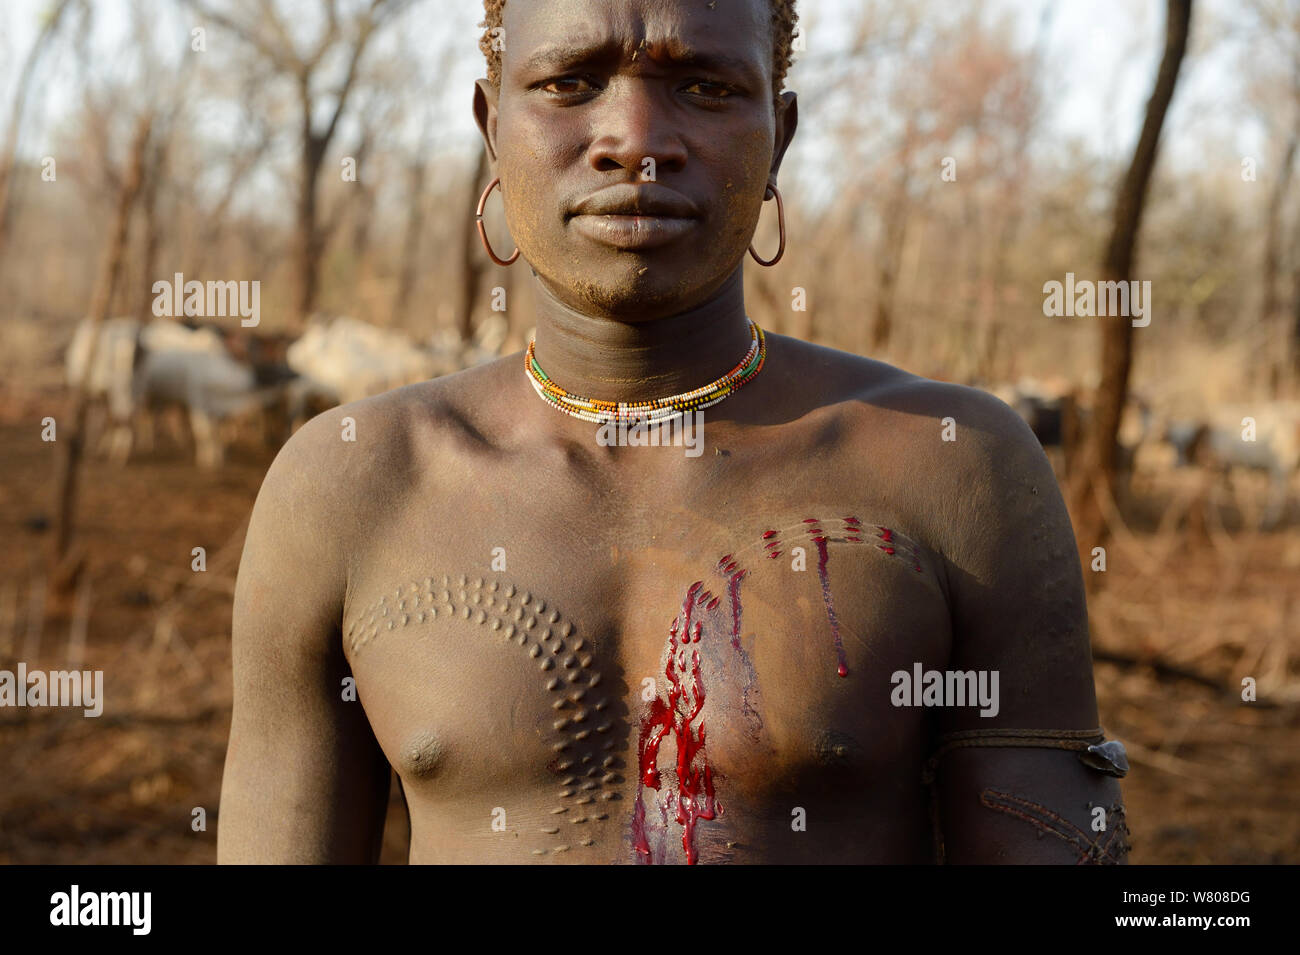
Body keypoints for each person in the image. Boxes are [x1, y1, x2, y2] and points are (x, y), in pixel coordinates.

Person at [218, 0, 1129, 864]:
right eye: (571, 83)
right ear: (492, 126)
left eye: (705, 87)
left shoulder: (949, 465)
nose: (637, 143)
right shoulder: (349, 485)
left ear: (781, 135)